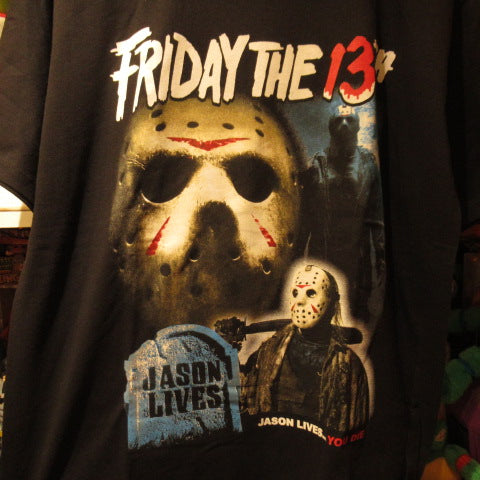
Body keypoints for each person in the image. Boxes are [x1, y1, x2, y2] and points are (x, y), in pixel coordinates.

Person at [242, 264, 369, 434]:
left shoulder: (349, 366)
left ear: (333, 302)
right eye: (295, 293)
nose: (300, 301)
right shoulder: (268, 353)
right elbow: (248, 405)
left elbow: (355, 425)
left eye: (311, 293)